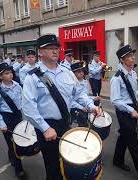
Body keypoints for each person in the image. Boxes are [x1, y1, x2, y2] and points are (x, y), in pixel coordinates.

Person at [22, 34, 101, 180]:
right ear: (40, 52)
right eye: (50, 48)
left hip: (65, 122)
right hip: (46, 126)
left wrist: (91, 106)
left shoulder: (67, 72)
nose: (55, 51)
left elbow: (78, 94)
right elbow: (28, 108)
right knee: (52, 168)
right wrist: (45, 128)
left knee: (68, 162)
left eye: (56, 48)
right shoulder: (32, 77)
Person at [111, 45, 138, 180]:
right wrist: (131, 110)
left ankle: (117, 160)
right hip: (125, 112)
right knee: (133, 144)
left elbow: (133, 92)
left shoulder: (132, 73)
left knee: (124, 136)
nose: (133, 57)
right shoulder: (117, 78)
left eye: (133, 55)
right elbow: (115, 100)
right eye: (130, 56)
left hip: (132, 110)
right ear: (122, 60)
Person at [0, 63, 26, 179]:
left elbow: (23, 103)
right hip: (7, 119)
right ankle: (19, 169)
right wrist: (2, 124)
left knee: (18, 142)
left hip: (18, 117)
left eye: (10, 72)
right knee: (12, 144)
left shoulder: (18, 86)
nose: (10, 75)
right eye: (6, 73)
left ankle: (12, 156)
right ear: (0, 77)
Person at [70, 60, 101, 127]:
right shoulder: (71, 85)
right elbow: (70, 101)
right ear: (73, 74)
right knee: (83, 123)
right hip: (75, 107)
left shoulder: (85, 82)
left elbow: (84, 96)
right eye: (79, 72)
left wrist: (93, 98)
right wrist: (81, 107)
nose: (82, 73)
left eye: (82, 71)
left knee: (97, 102)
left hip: (85, 105)